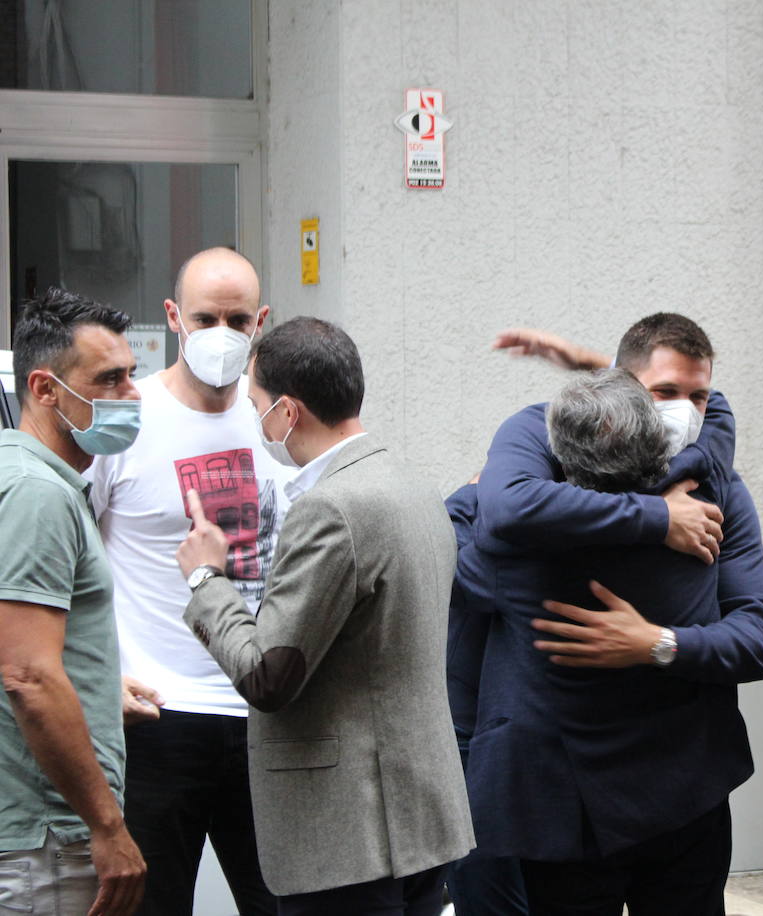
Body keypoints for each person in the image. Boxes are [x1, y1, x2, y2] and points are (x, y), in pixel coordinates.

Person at [462, 315, 763, 915]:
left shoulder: (714, 487)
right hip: (564, 801)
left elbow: (761, 641)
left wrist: (658, 642)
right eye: (664, 394)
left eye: (697, 396)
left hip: (685, 787)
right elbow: (504, 510)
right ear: (621, 386)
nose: (685, 411)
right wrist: (658, 519)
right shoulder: (541, 452)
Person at [174, 317, 474, 915]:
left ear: (288, 412)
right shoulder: (409, 483)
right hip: (420, 816)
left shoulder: (331, 509)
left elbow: (269, 675)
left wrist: (206, 580)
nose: (255, 419)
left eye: (256, 404)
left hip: (349, 830)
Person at [85, 247, 284, 916]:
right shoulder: (123, 420)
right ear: (173, 317)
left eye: (237, 319)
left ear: (261, 321)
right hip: (156, 719)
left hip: (261, 714)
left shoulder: (276, 420)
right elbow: (68, 561)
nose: (221, 335)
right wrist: (96, 678)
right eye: (205, 318)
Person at [0, 288, 146, 915]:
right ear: (46, 388)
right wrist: (107, 828)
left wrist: (97, 692)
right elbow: (28, 675)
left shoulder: (34, 478)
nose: (131, 395)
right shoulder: (36, 493)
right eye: (109, 380)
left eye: (132, 375)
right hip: (50, 844)